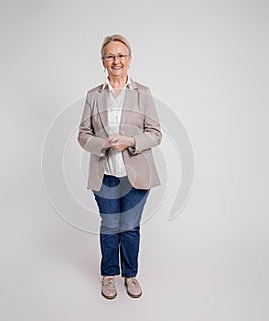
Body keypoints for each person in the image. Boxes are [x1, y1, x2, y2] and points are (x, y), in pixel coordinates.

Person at [78, 34, 162, 299]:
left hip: (137, 173)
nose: (116, 60)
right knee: (109, 225)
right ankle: (108, 276)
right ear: (103, 61)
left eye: (121, 55)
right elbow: (83, 134)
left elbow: (155, 133)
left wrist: (130, 141)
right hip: (105, 175)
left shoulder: (143, 93)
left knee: (130, 226)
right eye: (110, 56)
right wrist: (103, 144)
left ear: (129, 59)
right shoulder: (93, 95)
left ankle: (131, 275)